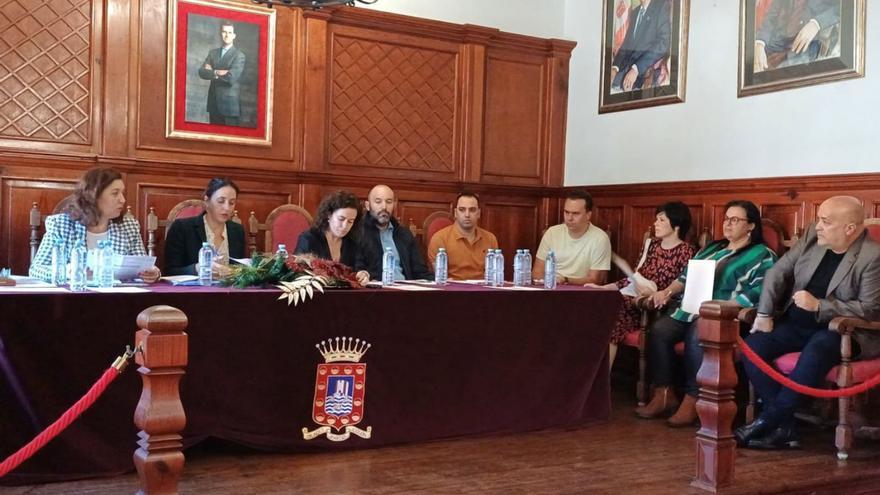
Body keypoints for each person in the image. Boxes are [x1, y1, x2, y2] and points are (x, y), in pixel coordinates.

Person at [736, 196, 880, 450]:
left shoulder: (872, 256)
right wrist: (765, 314)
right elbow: (778, 272)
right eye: (819, 220)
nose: (818, 226)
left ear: (849, 228)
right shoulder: (814, 235)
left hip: (845, 332)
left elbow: (870, 309)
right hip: (796, 323)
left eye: (826, 221)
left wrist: (820, 306)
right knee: (753, 345)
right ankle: (784, 425)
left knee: (818, 347)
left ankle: (769, 420)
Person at [635, 200, 777, 427]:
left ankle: (694, 397)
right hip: (690, 308)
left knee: (697, 332)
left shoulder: (762, 255)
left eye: (735, 220)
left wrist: (725, 305)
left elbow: (761, 292)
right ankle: (664, 393)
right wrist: (667, 291)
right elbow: (684, 277)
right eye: (726, 218)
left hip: (726, 317)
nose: (728, 224)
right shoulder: (712, 248)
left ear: (750, 226)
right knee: (660, 330)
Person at [587, 201, 696, 367]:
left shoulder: (686, 251)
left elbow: (680, 286)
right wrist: (604, 288)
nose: (655, 224)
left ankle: (601, 381)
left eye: (661, 220)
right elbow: (635, 278)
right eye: (656, 219)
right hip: (632, 297)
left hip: (652, 307)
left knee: (611, 312)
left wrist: (653, 294)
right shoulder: (650, 245)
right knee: (601, 307)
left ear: (676, 225)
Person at [30, 167, 161, 283]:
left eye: (122, 193)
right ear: (93, 195)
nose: (123, 199)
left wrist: (153, 273)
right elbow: (36, 269)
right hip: (73, 298)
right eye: (115, 193)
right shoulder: (60, 225)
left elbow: (142, 266)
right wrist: (66, 272)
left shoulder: (129, 226)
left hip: (118, 299)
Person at [164, 178, 246, 277]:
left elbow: (242, 270)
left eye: (231, 203)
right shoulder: (182, 228)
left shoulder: (237, 231)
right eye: (221, 201)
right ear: (207, 201)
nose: (227, 208)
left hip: (229, 290)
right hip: (194, 290)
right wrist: (198, 268)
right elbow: (170, 271)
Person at [532, 190, 611, 286]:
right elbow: (537, 272)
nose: (569, 218)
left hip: (581, 292)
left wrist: (566, 280)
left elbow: (595, 280)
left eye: (575, 213)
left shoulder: (600, 238)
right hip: (550, 288)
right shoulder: (552, 232)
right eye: (566, 212)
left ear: (588, 215)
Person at [356, 184, 432, 281]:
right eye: (378, 202)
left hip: (405, 290)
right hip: (375, 291)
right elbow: (356, 269)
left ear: (394, 205)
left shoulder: (404, 234)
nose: (384, 207)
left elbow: (420, 271)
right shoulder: (358, 233)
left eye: (389, 202)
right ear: (368, 206)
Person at [295, 190, 370, 285]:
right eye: (341, 219)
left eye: (350, 221)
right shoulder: (309, 239)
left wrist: (363, 274)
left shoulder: (352, 241)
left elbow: (359, 266)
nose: (345, 226)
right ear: (328, 215)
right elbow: (298, 271)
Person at [427, 192, 499, 280]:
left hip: (483, 290)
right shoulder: (439, 238)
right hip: (452, 290)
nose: (467, 215)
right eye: (462, 209)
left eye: (472, 210)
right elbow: (440, 277)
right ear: (455, 213)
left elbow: (494, 274)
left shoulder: (490, 238)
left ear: (478, 213)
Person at [754, 0, 839, 73]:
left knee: (784, 74)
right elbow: (771, 17)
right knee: (754, 64)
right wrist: (760, 43)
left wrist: (816, 23)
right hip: (782, 38)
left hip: (812, 40)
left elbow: (844, 6)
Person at [610, 0, 671, 92]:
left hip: (644, 73)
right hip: (623, 72)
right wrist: (615, 68)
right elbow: (626, 45)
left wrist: (636, 69)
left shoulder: (661, 6)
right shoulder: (635, 12)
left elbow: (663, 44)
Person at [197, 21, 246, 126]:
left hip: (229, 107)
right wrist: (217, 72)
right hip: (213, 104)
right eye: (224, 32)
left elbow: (231, 78)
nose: (227, 35)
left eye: (229, 32)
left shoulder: (239, 55)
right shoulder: (212, 53)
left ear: (234, 35)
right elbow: (201, 72)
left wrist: (212, 71)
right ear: (220, 34)